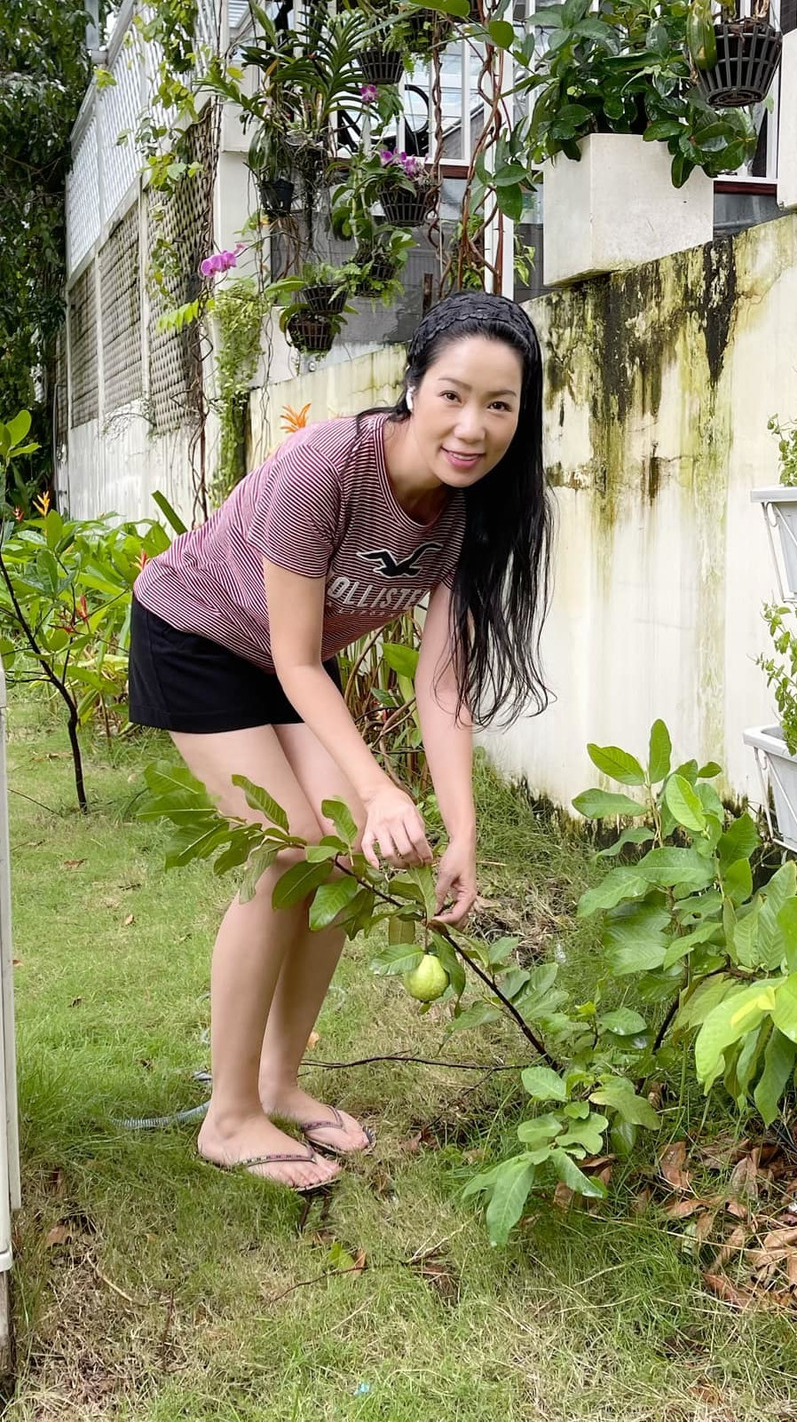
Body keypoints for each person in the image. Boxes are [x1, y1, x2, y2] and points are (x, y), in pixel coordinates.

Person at [128, 290, 551, 1192]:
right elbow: (294, 657)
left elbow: (443, 686)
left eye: (499, 405)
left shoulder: (474, 513)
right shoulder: (324, 468)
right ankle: (227, 1117)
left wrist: (463, 831)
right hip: (197, 633)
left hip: (285, 660)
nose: (472, 427)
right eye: (453, 395)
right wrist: (379, 788)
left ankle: (279, 1082)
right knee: (288, 850)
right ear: (413, 387)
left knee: (349, 858)